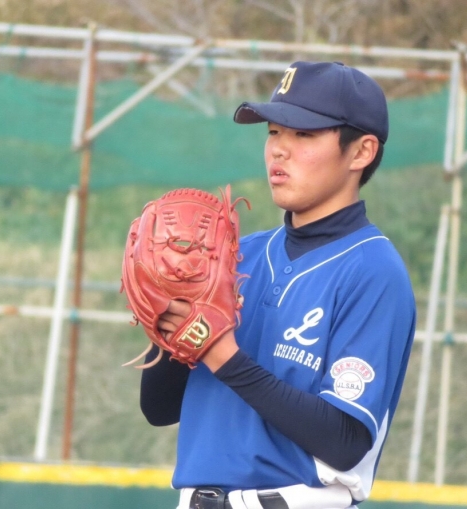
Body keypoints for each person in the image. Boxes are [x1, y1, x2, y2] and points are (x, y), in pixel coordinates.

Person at [139, 61, 416, 509]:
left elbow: (345, 440)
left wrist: (221, 354)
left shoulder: (372, 271)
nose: (279, 151)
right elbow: (159, 409)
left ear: (361, 152)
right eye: (273, 133)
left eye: (303, 134)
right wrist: (165, 320)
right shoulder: (232, 257)